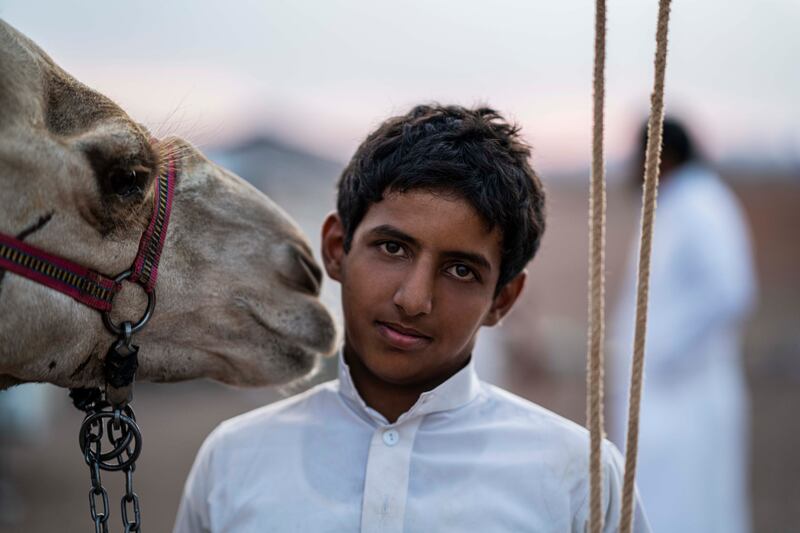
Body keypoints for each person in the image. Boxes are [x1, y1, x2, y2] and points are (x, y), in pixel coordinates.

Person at [174, 104, 649, 532]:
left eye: (461, 270)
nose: (414, 299)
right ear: (337, 249)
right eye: (393, 248)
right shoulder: (233, 460)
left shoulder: (578, 479)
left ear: (503, 299)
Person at [610, 118, 757, 533]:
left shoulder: (701, 204)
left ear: (662, 155)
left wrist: (662, 352)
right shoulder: (675, 204)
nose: (633, 168)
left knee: (686, 512)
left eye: (639, 157)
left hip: (686, 400)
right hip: (663, 397)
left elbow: (730, 291)